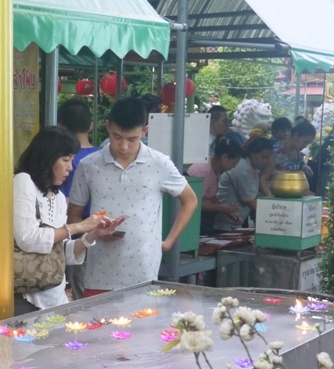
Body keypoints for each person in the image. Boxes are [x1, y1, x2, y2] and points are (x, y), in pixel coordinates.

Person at [68, 97, 197, 295]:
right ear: (107, 127)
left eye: (132, 139)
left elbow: (190, 200)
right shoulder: (88, 166)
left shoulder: (159, 163)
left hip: (144, 273)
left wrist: (168, 242)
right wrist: (94, 232)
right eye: (117, 137)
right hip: (98, 273)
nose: (124, 146)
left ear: (144, 131)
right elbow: (74, 215)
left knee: (143, 324)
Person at [14, 126, 118, 313]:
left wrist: (92, 234)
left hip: (55, 294)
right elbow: (27, 239)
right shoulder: (23, 181)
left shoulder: (59, 198)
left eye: (71, 160)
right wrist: (78, 226)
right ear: (47, 158)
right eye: (65, 160)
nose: (70, 167)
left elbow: (63, 253)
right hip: (25, 294)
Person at [57, 97, 101, 300]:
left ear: (61, 127)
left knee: (80, 295)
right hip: (103, 238)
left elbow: (63, 205)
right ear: (91, 126)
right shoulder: (101, 157)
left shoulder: (64, 161)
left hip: (76, 240)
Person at [213, 135, 273, 234]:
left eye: (268, 158)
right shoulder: (243, 168)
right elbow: (249, 200)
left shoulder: (253, 168)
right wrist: (272, 216)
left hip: (234, 221)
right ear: (253, 153)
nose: (265, 161)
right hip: (223, 222)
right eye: (263, 157)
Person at [186, 137, 242, 236]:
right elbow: (196, 201)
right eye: (233, 163)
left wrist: (227, 209)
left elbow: (208, 195)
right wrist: (221, 208)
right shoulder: (204, 171)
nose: (233, 167)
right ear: (225, 157)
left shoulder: (217, 170)